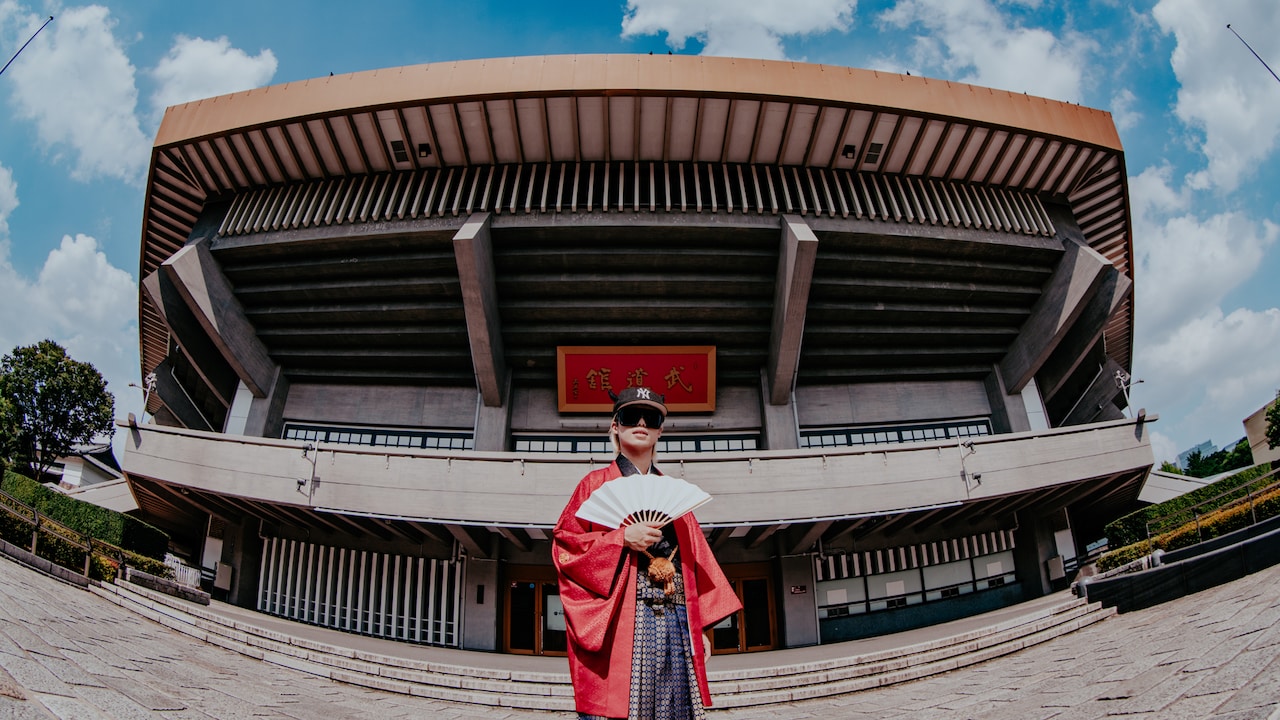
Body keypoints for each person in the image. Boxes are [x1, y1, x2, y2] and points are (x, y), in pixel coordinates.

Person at [553, 386, 742, 719]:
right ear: (615, 426)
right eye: (630, 416)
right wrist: (621, 539)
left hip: (675, 618)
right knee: (622, 709)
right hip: (623, 619)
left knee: (677, 709)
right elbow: (566, 547)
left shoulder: (675, 495)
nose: (640, 423)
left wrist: (699, 631)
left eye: (651, 418)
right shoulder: (594, 485)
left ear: (660, 430)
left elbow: (695, 564)